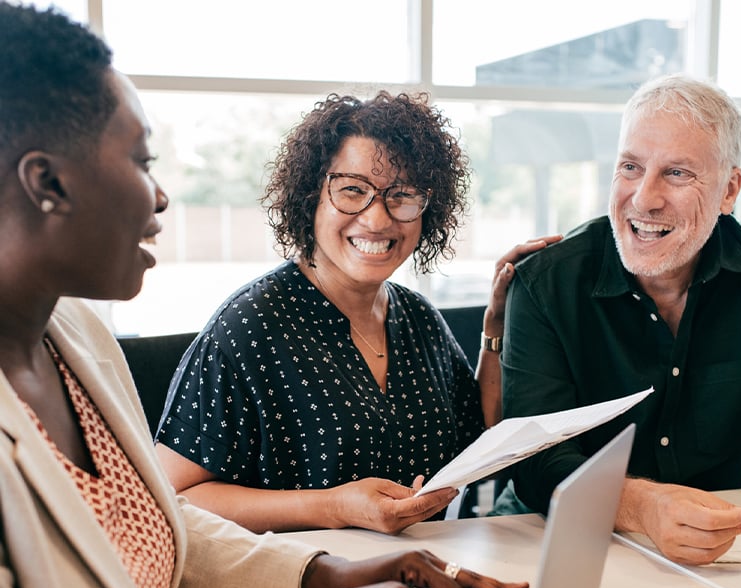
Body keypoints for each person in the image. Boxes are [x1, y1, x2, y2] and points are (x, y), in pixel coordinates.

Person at [0, 5, 529, 588]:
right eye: (141, 159)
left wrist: (326, 578)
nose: (164, 195)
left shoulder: (73, 338)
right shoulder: (251, 322)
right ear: (46, 182)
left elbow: (163, 526)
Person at [154, 91, 559, 534]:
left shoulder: (417, 317)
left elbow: (480, 434)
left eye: (402, 196)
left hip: (420, 573)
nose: (378, 219)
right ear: (310, 197)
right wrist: (332, 507)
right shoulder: (249, 328)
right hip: (301, 584)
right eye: (353, 190)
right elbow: (175, 497)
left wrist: (496, 327)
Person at [498, 73, 741, 567]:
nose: (644, 198)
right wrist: (644, 505)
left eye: (677, 173)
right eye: (631, 167)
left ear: (729, 189)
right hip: (553, 535)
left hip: (715, 550)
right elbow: (537, 463)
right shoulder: (544, 284)